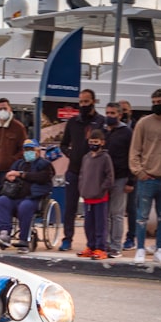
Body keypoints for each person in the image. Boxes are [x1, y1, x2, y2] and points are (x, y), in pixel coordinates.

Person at [128, 88, 161, 264]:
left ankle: (160, 249)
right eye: (154, 102)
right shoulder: (143, 123)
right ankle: (140, 249)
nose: (156, 105)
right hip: (147, 178)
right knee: (142, 216)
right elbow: (134, 150)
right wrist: (139, 172)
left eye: (160, 102)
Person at [58, 89, 104, 251]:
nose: (83, 105)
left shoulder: (100, 122)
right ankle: (67, 239)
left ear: (93, 101)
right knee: (70, 207)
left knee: (92, 209)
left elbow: (105, 145)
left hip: (92, 174)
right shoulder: (73, 122)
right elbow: (63, 144)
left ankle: (92, 243)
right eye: (81, 102)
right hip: (74, 170)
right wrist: (72, 154)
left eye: (86, 101)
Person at [0, 139, 55, 250]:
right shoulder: (18, 163)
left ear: (37, 150)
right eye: (26, 149)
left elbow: (44, 177)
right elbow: (5, 180)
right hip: (15, 195)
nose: (28, 152)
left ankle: (24, 238)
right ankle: (4, 233)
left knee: (25, 206)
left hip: (33, 198)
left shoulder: (44, 164)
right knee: (2, 200)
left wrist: (22, 175)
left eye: (31, 149)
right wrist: (8, 177)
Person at [77, 129, 114, 259]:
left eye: (96, 142)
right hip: (87, 197)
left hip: (100, 198)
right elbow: (82, 175)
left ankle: (101, 248)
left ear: (102, 142)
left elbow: (110, 177)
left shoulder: (105, 158)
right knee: (88, 225)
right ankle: (91, 246)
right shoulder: (86, 157)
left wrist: (101, 189)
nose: (93, 144)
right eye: (91, 141)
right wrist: (82, 189)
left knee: (100, 224)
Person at [103, 102, 133, 258]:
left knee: (117, 214)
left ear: (120, 115)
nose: (109, 116)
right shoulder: (104, 132)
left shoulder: (127, 133)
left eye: (113, 113)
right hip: (104, 179)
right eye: (107, 112)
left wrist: (131, 181)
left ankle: (116, 246)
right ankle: (106, 244)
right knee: (105, 214)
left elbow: (132, 156)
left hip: (121, 178)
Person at [118, 99, 137, 250]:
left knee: (132, 208)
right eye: (121, 110)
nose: (123, 112)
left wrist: (132, 178)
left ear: (130, 111)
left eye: (126, 110)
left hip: (132, 174)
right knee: (116, 210)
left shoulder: (136, 127)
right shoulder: (114, 129)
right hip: (118, 174)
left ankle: (131, 237)